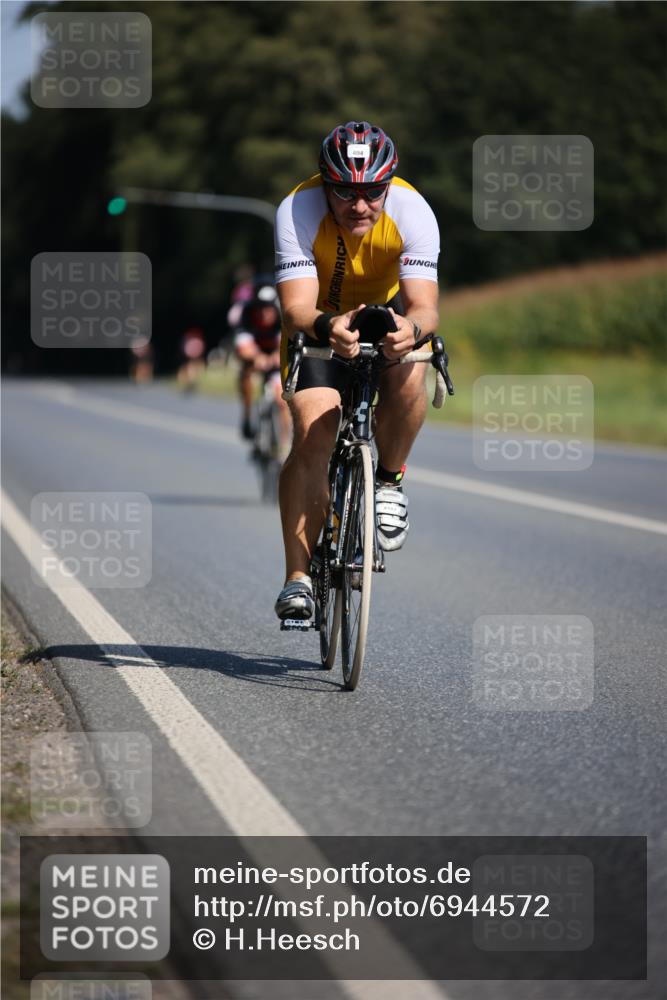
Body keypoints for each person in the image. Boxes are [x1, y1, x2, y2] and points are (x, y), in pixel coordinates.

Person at [273, 121, 440, 620]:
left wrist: (411, 330)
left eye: (372, 193)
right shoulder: (297, 209)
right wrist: (329, 326)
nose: (360, 205)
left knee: (414, 368)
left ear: (389, 185)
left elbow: (425, 307)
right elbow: (294, 309)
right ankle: (298, 578)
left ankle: (388, 482)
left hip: (386, 316)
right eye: (345, 192)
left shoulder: (413, 211)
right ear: (325, 184)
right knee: (312, 431)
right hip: (321, 323)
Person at [233, 283, 290, 448]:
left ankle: (283, 442)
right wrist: (256, 356)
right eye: (260, 308)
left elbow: (285, 342)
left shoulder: (282, 315)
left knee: (281, 399)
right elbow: (243, 346)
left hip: (276, 356)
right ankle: (247, 415)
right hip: (255, 356)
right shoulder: (246, 316)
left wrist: (275, 357)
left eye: (268, 308)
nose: (264, 313)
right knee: (246, 373)